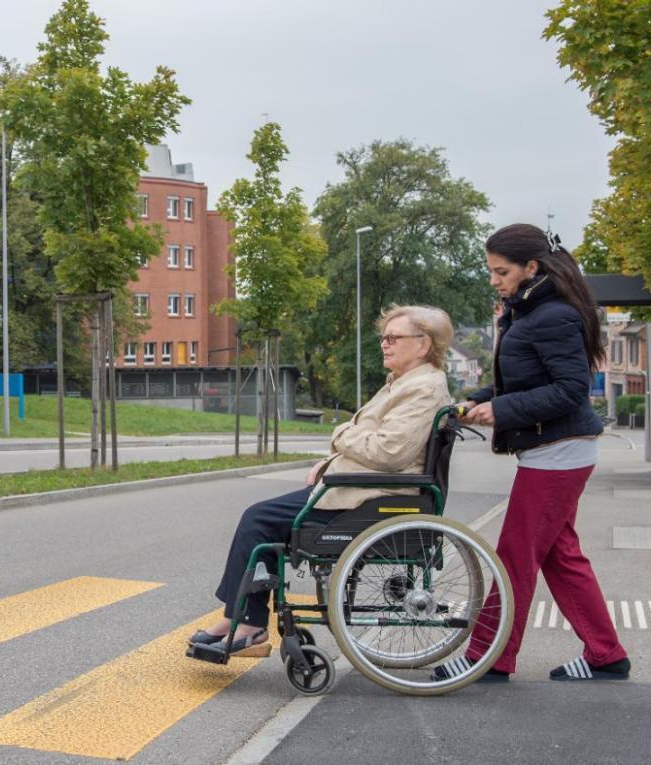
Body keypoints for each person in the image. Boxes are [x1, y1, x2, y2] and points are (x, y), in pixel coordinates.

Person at [190, 305, 454, 653]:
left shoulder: (422, 387)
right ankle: (240, 617)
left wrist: (340, 433)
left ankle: (249, 624)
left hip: (375, 498)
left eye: (393, 338)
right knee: (262, 518)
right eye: (383, 337)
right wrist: (329, 465)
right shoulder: (406, 383)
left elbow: (389, 452)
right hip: (363, 489)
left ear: (422, 345)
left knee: (258, 520)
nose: (384, 344)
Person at [434, 223, 630, 684]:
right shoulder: (528, 312)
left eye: (501, 271)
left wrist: (499, 410)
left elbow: (569, 391)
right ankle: (606, 654)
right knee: (560, 556)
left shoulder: (554, 315)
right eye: (491, 271)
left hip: (558, 451)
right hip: (553, 449)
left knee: (514, 557)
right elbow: (517, 382)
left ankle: (489, 656)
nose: (494, 280)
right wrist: (473, 400)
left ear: (532, 268)